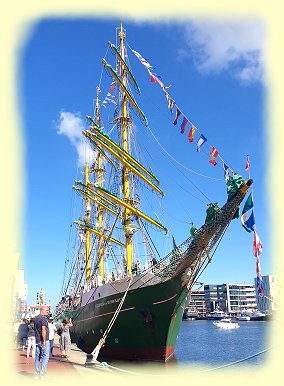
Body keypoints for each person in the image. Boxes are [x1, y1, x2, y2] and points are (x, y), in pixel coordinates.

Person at [34, 306, 50, 378]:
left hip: (37, 340)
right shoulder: (43, 318)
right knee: (45, 356)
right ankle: (43, 374)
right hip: (44, 340)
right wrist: (44, 342)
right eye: (47, 310)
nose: (48, 311)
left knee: (37, 356)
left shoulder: (36, 318)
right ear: (42, 310)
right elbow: (43, 330)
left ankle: (36, 374)